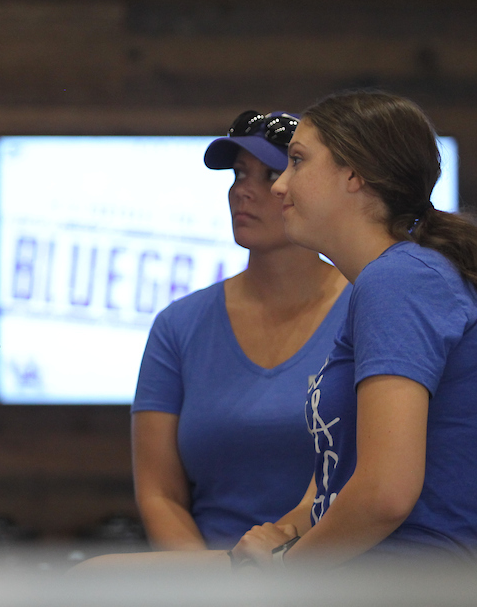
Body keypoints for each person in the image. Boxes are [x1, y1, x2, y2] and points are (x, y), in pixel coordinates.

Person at [229, 90, 477, 566]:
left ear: (354, 175)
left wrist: (284, 570)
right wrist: (265, 552)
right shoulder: (391, 280)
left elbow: (385, 494)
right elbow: (331, 494)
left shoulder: (399, 280)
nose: (280, 186)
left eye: (297, 162)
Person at [132, 110, 350, 551]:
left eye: (269, 173)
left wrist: (270, 569)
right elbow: (160, 495)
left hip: (329, 571)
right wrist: (209, 586)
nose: (242, 192)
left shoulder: (366, 306)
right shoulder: (178, 325)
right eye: (238, 174)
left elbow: (365, 481)